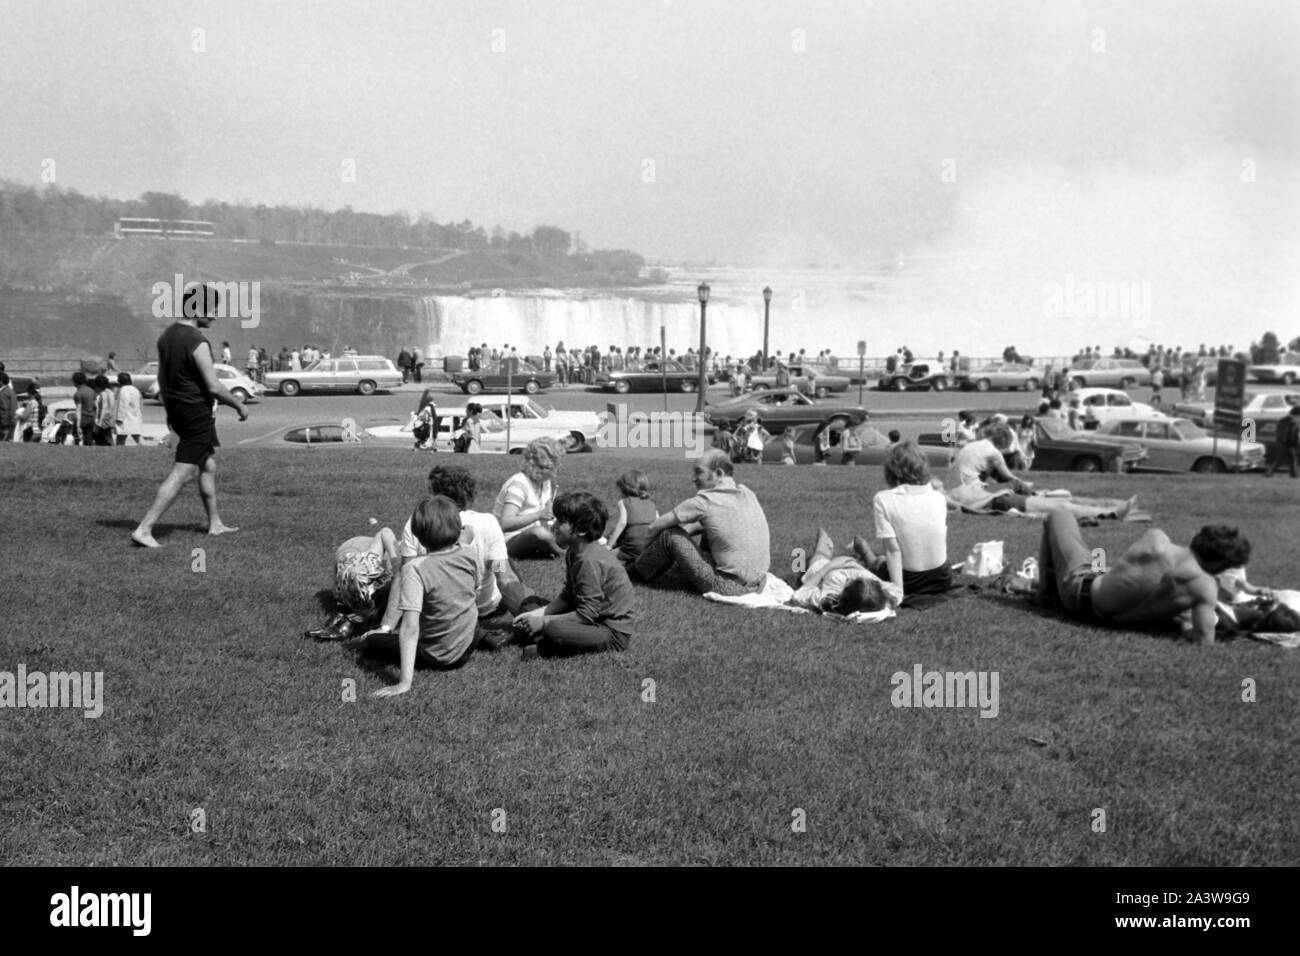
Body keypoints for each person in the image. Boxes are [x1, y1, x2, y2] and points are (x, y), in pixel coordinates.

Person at [361, 465, 541, 649]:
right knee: (504, 565)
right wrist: (528, 618)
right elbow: (503, 577)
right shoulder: (487, 523)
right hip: (487, 608)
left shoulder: (418, 522)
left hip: (437, 612)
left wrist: (386, 626)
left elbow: (404, 578)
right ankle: (533, 621)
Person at [131, 286, 248, 548]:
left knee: (207, 464)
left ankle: (215, 524)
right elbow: (214, 386)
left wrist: (171, 411)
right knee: (183, 472)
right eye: (212, 309)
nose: (215, 316)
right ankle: (145, 528)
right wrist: (239, 405)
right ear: (196, 309)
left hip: (178, 410)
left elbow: (165, 378)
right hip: (196, 411)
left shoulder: (167, 336)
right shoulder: (196, 340)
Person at [1036, 515, 1247, 644]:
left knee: (1058, 514)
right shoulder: (1205, 588)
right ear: (1221, 565)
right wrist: (1183, 624)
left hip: (1079, 596)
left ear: (1198, 537)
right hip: (1117, 622)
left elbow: (1128, 574)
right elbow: (1204, 641)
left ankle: (1045, 597)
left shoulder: (1156, 539)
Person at [370, 496, 482, 698]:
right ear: (458, 527)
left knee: (373, 642)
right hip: (467, 644)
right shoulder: (469, 552)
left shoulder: (415, 569)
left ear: (418, 535)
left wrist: (404, 682)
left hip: (437, 656)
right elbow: (475, 587)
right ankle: (484, 638)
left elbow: (410, 628)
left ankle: (373, 642)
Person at [632, 449, 771, 596]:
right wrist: (687, 532)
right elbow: (714, 525)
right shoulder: (746, 493)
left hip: (728, 586)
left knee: (670, 535)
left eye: (699, 472)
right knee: (706, 528)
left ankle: (633, 574)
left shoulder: (706, 501)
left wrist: (640, 554)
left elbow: (655, 527)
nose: (693, 478)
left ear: (718, 473)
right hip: (758, 584)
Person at [514, 492, 636, 657]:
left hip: (608, 631)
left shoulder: (589, 561)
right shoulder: (574, 552)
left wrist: (543, 622)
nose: (553, 525)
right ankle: (543, 636)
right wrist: (538, 613)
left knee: (553, 628)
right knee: (530, 604)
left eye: (560, 521)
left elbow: (586, 614)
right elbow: (569, 596)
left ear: (581, 530)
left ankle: (544, 647)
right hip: (588, 618)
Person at [945, 424, 1134, 520]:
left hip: (968, 495)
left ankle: (1113, 506)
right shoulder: (994, 453)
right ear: (1004, 442)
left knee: (1056, 501)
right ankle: (1109, 512)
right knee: (1054, 505)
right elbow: (1012, 478)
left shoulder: (975, 446)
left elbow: (977, 476)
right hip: (978, 499)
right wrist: (1025, 487)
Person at [855, 442, 953, 596]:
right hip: (943, 578)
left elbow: (893, 551)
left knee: (879, 563)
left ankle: (865, 550)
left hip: (909, 581)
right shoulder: (939, 498)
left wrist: (898, 592)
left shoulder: (883, 499)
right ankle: (867, 552)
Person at [305, 527, 400, 641]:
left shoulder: (367, 566)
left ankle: (351, 615)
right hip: (354, 553)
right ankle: (349, 615)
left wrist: (396, 563)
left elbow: (385, 532)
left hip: (358, 558)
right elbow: (385, 532)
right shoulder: (364, 566)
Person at [790, 528, 899, 614]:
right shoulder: (888, 597)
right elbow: (895, 591)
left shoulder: (829, 599)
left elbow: (799, 595)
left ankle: (822, 544)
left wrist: (830, 566)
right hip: (855, 570)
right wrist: (855, 566)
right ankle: (863, 551)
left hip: (830, 574)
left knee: (819, 560)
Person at [494, 436, 566, 558]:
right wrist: (539, 515)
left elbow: (548, 510)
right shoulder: (518, 483)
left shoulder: (544, 482)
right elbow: (505, 524)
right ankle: (563, 554)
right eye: (551, 467)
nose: (554, 472)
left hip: (532, 533)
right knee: (540, 534)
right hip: (507, 539)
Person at [606, 470, 659, 567]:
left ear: (624, 490)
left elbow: (622, 523)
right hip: (648, 547)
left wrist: (609, 545)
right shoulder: (652, 504)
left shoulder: (624, 502)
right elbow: (658, 523)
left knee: (606, 557)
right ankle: (634, 566)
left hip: (631, 547)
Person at [1265, 405, 1299, 478]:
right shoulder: (1285, 421)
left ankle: (1294, 475)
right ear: (1296, 415)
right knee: (1280, 459)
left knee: (1292, 458)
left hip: (1289, 443)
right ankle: (1268, 473)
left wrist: (1294, 444)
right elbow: (1283, 434)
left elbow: (1294, 434)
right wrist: (1288, 445)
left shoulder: (1294, 422)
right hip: (1283, 443)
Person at [114, 372, 144, 445]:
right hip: (135, 416)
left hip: (126, 418)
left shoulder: (123, 390)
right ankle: (145, 448)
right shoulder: (135, 389)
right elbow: (141, 403)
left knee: (121, 437)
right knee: (137, 436)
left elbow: (123, 404)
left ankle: (119, 451)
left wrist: (119, 418)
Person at [91, 375, 116, 446]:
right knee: (108, 436)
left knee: (103, 439)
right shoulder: (111, 393)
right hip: (110, 417)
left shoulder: (103, 393)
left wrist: (99, 421)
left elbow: (104, 408)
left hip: (104, 419)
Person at [72, 371, 96, 445]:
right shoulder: (91, 391)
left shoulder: (78, 393)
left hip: (83, 417)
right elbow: (95, 406)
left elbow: (78, 410)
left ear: (76, 382)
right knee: (88, 439)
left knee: (77, 438)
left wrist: (78, 425)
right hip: (91, 418)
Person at [0, 373, 15, 442]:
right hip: (9, 421)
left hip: (4, 422)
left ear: (1, 381)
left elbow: (4, 408)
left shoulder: (3, 393)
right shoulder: (11, 391)